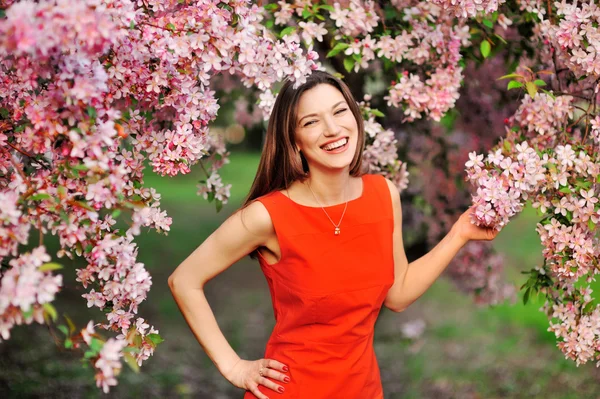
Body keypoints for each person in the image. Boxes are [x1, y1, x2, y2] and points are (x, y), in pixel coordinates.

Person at [168, 70, 499, 399]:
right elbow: (184, 280)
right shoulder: (267, 216)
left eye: (339, 112)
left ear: (355, 117)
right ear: (294, 140)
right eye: (311, 122)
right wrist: (233, 367)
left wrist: (459, 234)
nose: (332, 129)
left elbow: (397, 294)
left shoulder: (383, 194)